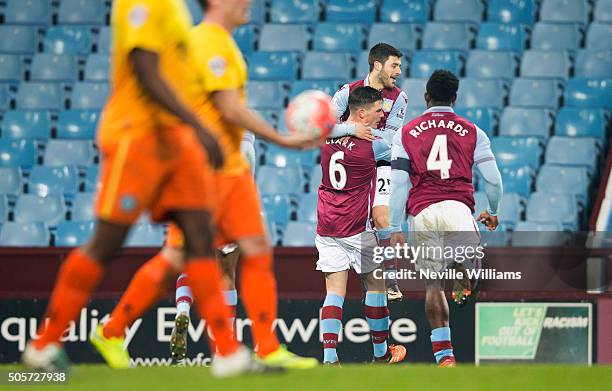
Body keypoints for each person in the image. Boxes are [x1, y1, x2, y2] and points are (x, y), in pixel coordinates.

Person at [94, 0, 319, 374]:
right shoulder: (207, 42)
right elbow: (228, 108)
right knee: (176, 259)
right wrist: (282, 139)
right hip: (205, 169)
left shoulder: (224, 42)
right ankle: (112, 330)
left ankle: (267, 346)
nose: (248, 3)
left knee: (256, 247)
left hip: (231, 168)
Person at [21, 0, 246, 374]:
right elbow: (144, 67)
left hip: (172, 141)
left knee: (198, 236)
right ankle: (44, 345)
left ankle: (228, 353)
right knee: (106, 243)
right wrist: (197, 123)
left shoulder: (177, 9)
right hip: (135, 137)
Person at [389, 69, 503, 367]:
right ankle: (462, 267)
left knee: (431, 286)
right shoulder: (473, 131)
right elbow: (493, 179)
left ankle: (444, 355)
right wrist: (493, 211)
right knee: (470, 260)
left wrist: (395, 226)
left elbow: (399, 182)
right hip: (458, 209)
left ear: (426, 98)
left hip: (422, 212)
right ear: (454, 98)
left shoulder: (406, 132)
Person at [317, 86, 407, 366]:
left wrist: (345, 128)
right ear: (362, 112)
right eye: (379, 110)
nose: (383, 115)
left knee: (334, 292)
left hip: (326, 225)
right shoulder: (377, 144)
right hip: (356, 227)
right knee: (377, 286)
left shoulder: (326, 138)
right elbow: (394, 166)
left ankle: (330, 358)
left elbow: (316, 129)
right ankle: (381, 354)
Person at [330, 43, 409, 301]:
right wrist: (351, 130)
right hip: (351, 164)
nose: (398, 71)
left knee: (382, 218)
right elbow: (324, 127)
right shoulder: (347, 92)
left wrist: (352, 130)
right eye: (394, 65)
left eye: (399, 65)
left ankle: (390, 278)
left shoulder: (399, 98)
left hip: (382, 163)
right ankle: (364, 277)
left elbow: (392, 137)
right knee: (357, 224)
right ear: (377, 64)